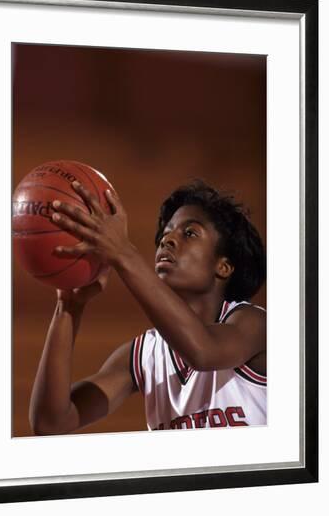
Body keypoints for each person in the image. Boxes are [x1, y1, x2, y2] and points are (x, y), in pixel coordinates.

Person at [29, 180, 266, 434]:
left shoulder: (253, 323)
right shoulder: (143, 354)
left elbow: (204, 352)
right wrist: (68, 306)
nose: (168, 240)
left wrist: (123, 252)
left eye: (189, 233)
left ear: (224, 266)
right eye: (166, 234)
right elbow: (50, 423)